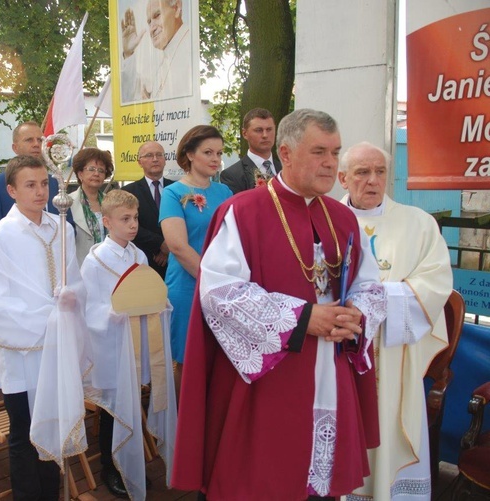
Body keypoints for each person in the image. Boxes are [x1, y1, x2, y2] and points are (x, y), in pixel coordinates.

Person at [172, 109, 388, 500]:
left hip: (330, 368)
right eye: (319, 151)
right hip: (273, 380)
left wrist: (355, 315)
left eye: (335, 152)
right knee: (265, 480)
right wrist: (304, 319)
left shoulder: (343, 218)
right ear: (285, 154)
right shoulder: (243, 211)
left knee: (324, 487)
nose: (329, 163)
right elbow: (220, 292)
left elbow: (370, 284)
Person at [338, 142, 452, 500]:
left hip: (394, 355)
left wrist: (376, 301)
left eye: (381, 172)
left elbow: (435, 283)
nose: (373, 181)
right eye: (362, 172)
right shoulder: (325, 219)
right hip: (337, 350)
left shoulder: (419, 223)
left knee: (389, 423)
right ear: (343, 178)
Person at [0, 155, 86, 501]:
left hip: (57, 347)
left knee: (54, 428)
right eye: (30, 185)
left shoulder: (63, 227)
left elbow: (76, 281)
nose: (41, 192)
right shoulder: (0, 236)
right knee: (24, 433)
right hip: (24, 351)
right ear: (11, 190)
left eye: (44, 184)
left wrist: (70, 300)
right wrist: (48, 318)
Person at [80, 190, 177, 500]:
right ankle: (111, 466)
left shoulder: (139, 256)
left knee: (136, 401)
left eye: (135, 218)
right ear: (107, 222)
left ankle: (131, 462)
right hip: (110, 346)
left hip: (136, 345)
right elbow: (89, 306)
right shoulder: (95, 259)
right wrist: (112, 314)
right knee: (114, 410)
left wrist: (161, 304)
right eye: (125, 219)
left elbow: (147, 293)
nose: (133, 224)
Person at [159, 125, 232, 394]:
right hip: (188, 286)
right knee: (185, 358)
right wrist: (211, 279)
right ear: (189, 154)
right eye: (208, 152)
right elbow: (178, 246)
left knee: (218, 354)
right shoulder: (173, 193)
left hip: (222, 284)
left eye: (219, 153)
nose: (216, 159)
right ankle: (182, 423)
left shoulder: (225, 193)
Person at [0, 121, 65, 235]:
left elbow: (68, 226)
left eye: (40, 140)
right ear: (15, 148)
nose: (36, 144)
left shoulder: (55, 182)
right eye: (29, 140)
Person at [120, 0, 192, 102]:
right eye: (149, 22)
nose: (152, 29)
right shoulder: (166, 60)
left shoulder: (190, 45)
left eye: (157, 15)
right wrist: (128, 53)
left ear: (176, 8)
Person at [123, 141, 174, 278]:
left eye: (159, 155)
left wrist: (168, 249)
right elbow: (128, 224)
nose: (155, 159)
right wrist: (159, 245)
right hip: (144, 261)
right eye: (149, 155)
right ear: (140, 162)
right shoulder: (128, 192)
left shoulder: (177, 189)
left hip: (175, 261)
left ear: (165, 160)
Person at [220, 107, 283, 194]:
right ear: (245, 133)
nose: (265, 135)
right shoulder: (233, 175)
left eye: (269, 129)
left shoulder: (286, 169)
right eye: (259, 130)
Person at [70, 147, 115, 264]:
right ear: (80, 174)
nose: (96, 173)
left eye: (101, 170)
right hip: (81, 266)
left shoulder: (111, 201)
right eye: (91, 169)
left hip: (109, 264)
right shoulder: (68, 202)